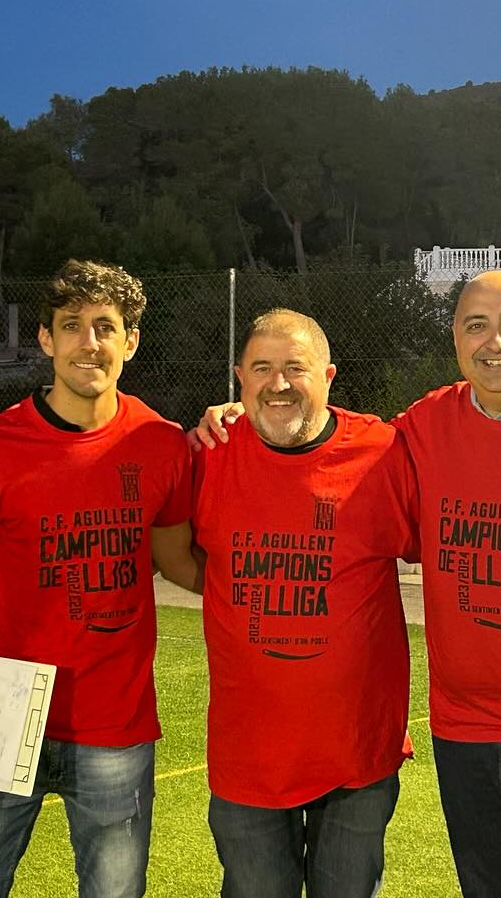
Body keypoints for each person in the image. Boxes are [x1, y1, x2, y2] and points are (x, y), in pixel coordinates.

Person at [196, 272, 501, 898]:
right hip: (464, 728)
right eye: (476, 325)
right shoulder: (420, 428)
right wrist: (239, 411)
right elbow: (325, 443)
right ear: (455, 338)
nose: (494, 341)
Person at [0, 259, 199, 898]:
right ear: (46, 339)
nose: (89, 342)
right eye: (71, 325)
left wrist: (265, 584)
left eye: (106, 326)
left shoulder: (161, 444)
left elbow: (180, 561)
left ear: (131, 340)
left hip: (115, 724)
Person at [192, 309, 418, 898]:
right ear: (239, 377)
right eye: (262, 368)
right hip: (248, 757)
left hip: (357, 755)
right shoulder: (208, 453)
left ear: (329, 375)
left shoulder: (382, 451)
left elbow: (440, 551)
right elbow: (178, 555)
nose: (279, 383)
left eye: (296, 368)